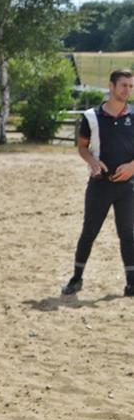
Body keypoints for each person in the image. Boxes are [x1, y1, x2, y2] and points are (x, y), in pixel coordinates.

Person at [62, 68, 134, 296]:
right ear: (111, 86)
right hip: (99, 185)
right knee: (89, 232)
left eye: (131, 86)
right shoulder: (91, 116)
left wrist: (132, 167)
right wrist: (92, 161)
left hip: (128, 187)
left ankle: (131, 282)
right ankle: (76, 278)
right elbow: (82, 146)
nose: (128, 90)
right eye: (124, 85)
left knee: (128, 234)